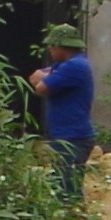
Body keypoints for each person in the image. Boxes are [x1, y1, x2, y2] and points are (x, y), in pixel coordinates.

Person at [28, 23, 97, 202]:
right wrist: (47, 78)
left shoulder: (75, 66)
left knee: (67, 190)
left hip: (73, 138)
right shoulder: (65, 65)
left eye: (52, 45)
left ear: (62, 46)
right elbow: (35, 76)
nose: (50, 49)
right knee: (62, 184)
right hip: (66, 136)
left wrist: (46, 79)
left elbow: (40, 87)